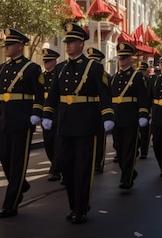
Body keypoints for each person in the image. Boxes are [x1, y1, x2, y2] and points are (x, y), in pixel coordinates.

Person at [42, 22, 114, 224]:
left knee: (83, 168)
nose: (68, 45)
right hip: (64, 124)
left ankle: (80, 208)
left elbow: (104, 95)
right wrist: (47, 115)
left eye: (72, 41)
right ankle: (75, 204)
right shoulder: (61, 68)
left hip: (86, 124)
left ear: (81, 44)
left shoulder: (94, 68)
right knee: (66, 166)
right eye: (66, 41)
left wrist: (107, 116)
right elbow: (53, 96)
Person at [0, 28, 44, 219]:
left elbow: (40, 96)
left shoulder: (32, 69)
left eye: (9, 45)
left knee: (18, 162)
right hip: (6, 120)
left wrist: (36, 113)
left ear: (19, 46)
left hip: (23, 121)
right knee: (3, 155)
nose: (6, 48)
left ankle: (11, 204)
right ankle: (21, 184)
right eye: (6, 45)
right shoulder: (1, 69)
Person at [111, 43, 149, 189]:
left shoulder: (137, 77)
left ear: (131, 59)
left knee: (129, 148)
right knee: (118, 147)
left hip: (131, 117)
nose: (122, 61)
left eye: (125, 58)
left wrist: (143, 114)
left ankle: (126, 178)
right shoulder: (114, 78)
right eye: (120, 58)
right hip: (116, 118)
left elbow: (143, 97)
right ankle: (130, 172)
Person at [41, 48, 62, 182]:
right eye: (45, 61)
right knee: (48, 141)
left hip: (58, 111)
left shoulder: (59, 75)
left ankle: (57, 169)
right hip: (45, 112)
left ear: (54, 61)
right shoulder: (41, 77)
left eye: (48, 61)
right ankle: (54, 163)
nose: (46, 64)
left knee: (58, 141)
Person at [87, 47, 108, 174]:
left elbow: (107, 95)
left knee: (99, 139)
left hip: (100, 111)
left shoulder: (105, 76)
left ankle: (98, 163)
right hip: (87, 112)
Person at [136, 61, 152, 159]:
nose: (141, 73)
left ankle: (144, 151)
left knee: (144, 131)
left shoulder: (149, 81)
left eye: (142, 71)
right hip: (135, 108)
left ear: (147, 71)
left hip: (145, 108)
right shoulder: (136, 79)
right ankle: (136, 147)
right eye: (140, 70)